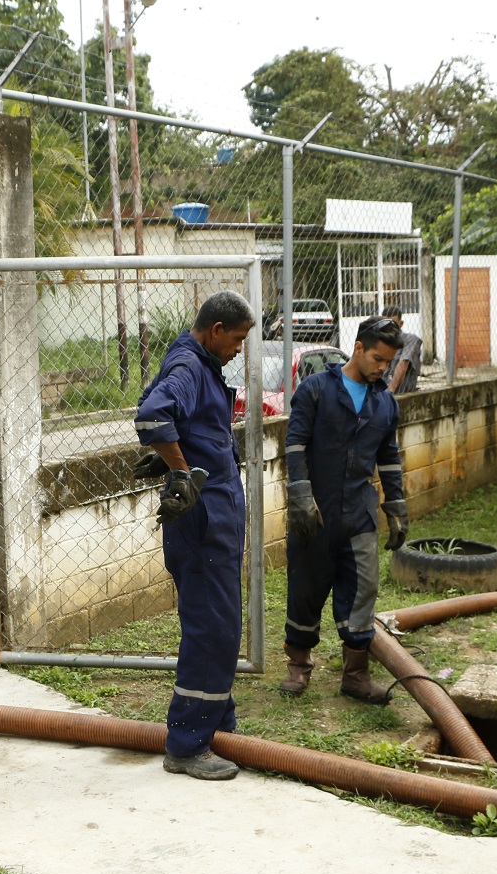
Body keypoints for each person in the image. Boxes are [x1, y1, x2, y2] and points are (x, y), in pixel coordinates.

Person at [134, 291, 256, 781]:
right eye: (239, 339)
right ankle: (187, 745)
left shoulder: (198, 363)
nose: (241, 349)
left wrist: (173, 454)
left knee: (221, 626)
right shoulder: (189, 363)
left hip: (215, 520)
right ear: (217, 329)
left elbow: (170, 419)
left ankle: (215, 728)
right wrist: (180, 471)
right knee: (212, 631)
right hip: (203, 523)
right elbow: (152, 416)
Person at [280, 316, 408, 702]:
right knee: (306, 587)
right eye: (377, 358)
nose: (383, 367)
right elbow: (296, 443)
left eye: (388, 361)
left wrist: (396, 506)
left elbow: (389, 457)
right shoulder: (316, 389)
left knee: (362, 589)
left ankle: (356, 676)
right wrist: (300, 495)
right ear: (358, 348)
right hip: (313, 514)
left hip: (359, 514)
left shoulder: (385, 403)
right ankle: (298, 667)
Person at [382, 305, 423, 394]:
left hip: (401, 393)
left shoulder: (410, 340)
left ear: (401, 324)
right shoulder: (379, 342)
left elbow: (403, 363)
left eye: (393, 324)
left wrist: (390, 391)